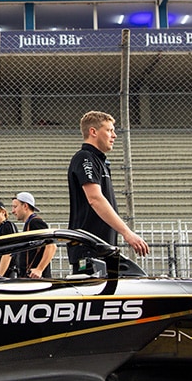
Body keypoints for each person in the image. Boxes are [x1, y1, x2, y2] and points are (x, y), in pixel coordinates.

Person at [66, 111, 149, 274]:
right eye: (109, 130)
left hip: (102, 248)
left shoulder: (100, 161)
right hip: (89, 249)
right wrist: (127, 233)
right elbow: (95, 198)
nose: (114, 135)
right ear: (93, 131)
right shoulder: (85, 158)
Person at [10, 191, 55, 278]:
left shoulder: (35, 222)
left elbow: (51, 246)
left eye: (15, 207)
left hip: (36, 278)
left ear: (25, 206)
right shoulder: (30, 223)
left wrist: (39, 269)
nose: (13, 211)